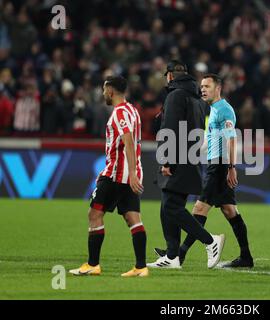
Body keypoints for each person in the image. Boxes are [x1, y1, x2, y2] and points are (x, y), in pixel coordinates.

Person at [154, 74, 254, 268]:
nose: (203, 89)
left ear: (218, 88)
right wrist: (190, 152)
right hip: (215, 164)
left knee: (199, 209)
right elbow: (210, 140)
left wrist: (232, 167)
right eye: (202, 86)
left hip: (219, 166)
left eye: (207, 86)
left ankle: (180, 253)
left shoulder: (224, 109)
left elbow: (231, 139)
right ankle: (246, 256)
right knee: (230, 210)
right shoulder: (213, 109)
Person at [147, 61, 225, 269]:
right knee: (168, 207)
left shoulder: (175, 96)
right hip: (190, 157)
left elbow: (170, 129)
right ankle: (172, 256)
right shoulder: (198, 100)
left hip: (177, 159)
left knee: (171, 208)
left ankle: (210, 240)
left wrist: (167, 160)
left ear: (170, 76)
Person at [70, 76, 148, 277]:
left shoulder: (120, 113)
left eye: (105, 90)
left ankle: (93, 264)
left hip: (116, 174)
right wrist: (133, 173)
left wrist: (130, 172)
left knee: (94, 214)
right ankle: (141, 267)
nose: (103, 93)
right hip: (129, 173)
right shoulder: (133, 110)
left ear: (111, 91)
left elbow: (128, 140)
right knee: (133, 218)